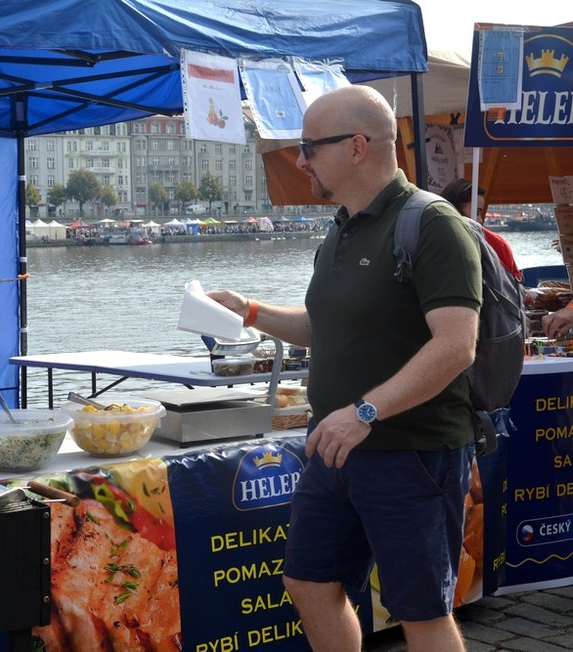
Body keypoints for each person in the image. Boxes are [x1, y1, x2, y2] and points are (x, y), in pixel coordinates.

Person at [208, 85, 481, 652]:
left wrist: (365, 411)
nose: (301, 160)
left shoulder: (432, 224)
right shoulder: (341, 227)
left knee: (421, 612)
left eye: (310, 147)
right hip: (333, 447)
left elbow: (456, 345)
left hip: (411, 453)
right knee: (308, 582)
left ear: (357, 146)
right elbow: (320, 327)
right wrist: (252, 311)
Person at [440, 177, 523, 283]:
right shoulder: (497, 244)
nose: (480, 220)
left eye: (480, 213)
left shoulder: (497, 244)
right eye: (477, 212)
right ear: (455, 209)